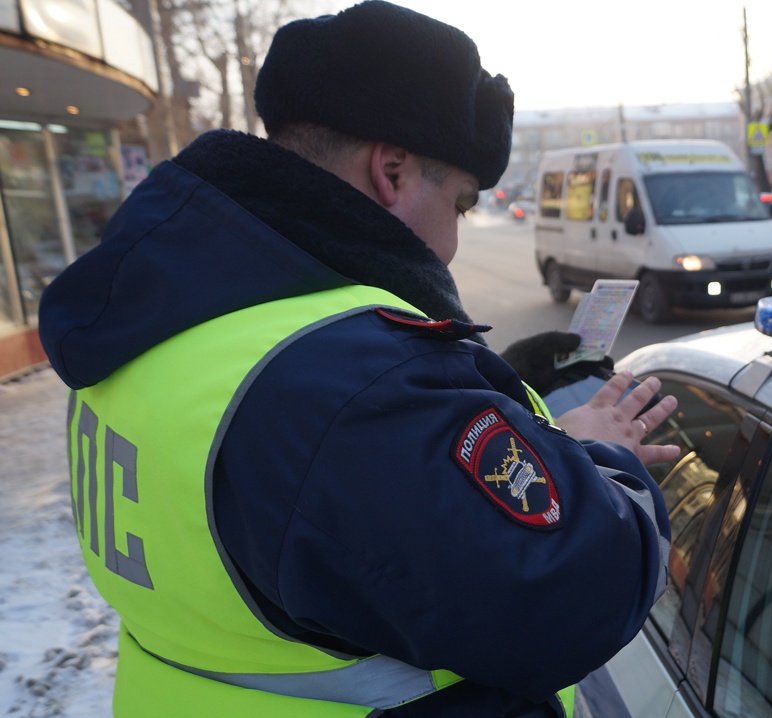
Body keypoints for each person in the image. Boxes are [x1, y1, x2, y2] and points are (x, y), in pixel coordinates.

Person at [37, 2, 678, 716]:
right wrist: (594, 457)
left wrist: (507, 395)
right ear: (394, 172)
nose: (455, 244)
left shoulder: (159, 321)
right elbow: (581, 590)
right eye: (462, 205)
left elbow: (309, 511)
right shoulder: (353, 391)